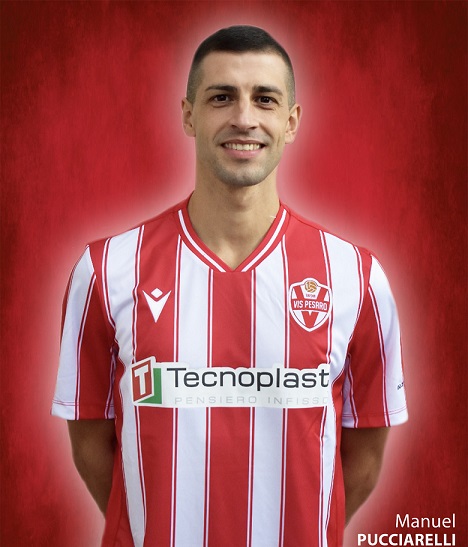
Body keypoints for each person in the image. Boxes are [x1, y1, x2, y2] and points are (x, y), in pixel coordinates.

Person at [52, 25, 408, 547]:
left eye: (265, 99)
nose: (244, 118)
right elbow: (90, 440)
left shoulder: (356, 276)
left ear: (291, 121)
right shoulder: (106, 269)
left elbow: (366, 454)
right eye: (221, 97)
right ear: (188, 115)